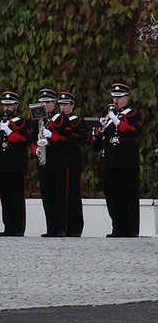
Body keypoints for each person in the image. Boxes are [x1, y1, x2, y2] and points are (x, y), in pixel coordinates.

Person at [91, 81, 143, 238]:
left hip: (126, 161)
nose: (116, 100)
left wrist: (117, 122)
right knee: (113, 196)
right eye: (114, 97)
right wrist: (98, 131)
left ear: (126, 98)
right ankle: (117, 227)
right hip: (111, 161)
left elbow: (135, 131)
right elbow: (96, 145)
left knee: (128, 195)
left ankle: (131, 228)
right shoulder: (109, 116)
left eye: (119, 97)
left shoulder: (133, 114)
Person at [0, 91, 33, 237]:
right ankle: (8, 227)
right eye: (5, 105)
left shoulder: (23, 122)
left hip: (16, 165)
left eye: (10, 105)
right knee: (5, 198)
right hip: (2, 164)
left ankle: (19, 228)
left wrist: (9, 131)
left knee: (17, 197)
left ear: (16, 106)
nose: (7, 108)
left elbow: (25, 141)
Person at [34, 88, 67, 238]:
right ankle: (50, 228)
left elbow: (66, 138)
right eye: (42, 102)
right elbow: (31, 138)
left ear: (54, 103)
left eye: (47, 102)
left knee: (59, 196)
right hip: (44, 162)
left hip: (58, 161)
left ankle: (61, 228)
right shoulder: (38, 120)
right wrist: (36, 150)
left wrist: (51, 135)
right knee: (47, 196)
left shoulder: (60, 118)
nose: (44, 105)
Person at [57, 91, 88, 237]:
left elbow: (81, 138)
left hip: (72, 161)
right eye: (60, 104)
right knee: (61, 195)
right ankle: (61, 226)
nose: (62, 107)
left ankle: (75, 227)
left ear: (72, 105)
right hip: (59, 161)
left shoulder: (77, 120)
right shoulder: (56, 120)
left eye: (65, 104)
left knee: (73, 195)